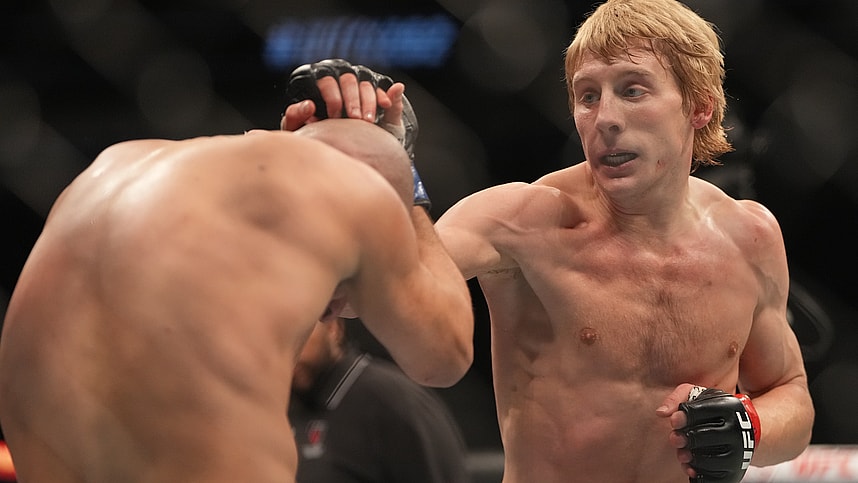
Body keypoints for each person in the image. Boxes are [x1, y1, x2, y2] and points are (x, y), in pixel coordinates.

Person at [281, 0, 815, 481]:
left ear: (699, 106)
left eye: (633, 90)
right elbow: (354, 297)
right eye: (587, 96)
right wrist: (352, 179)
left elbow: (791, 395)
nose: (605, 119)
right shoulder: (519, 220)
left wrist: (750, 426)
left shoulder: (750, 236)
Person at [0, 118, 474, 483]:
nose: (330, 312)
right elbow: (444, 356)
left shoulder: (105, 173)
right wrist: (409, 187)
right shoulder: (355, 189)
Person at [290, 317, 471, 483]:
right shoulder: (285, 407)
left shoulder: (393, 400)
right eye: (278, 339)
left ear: (332, 327)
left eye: (297, 334)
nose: (289, 351)